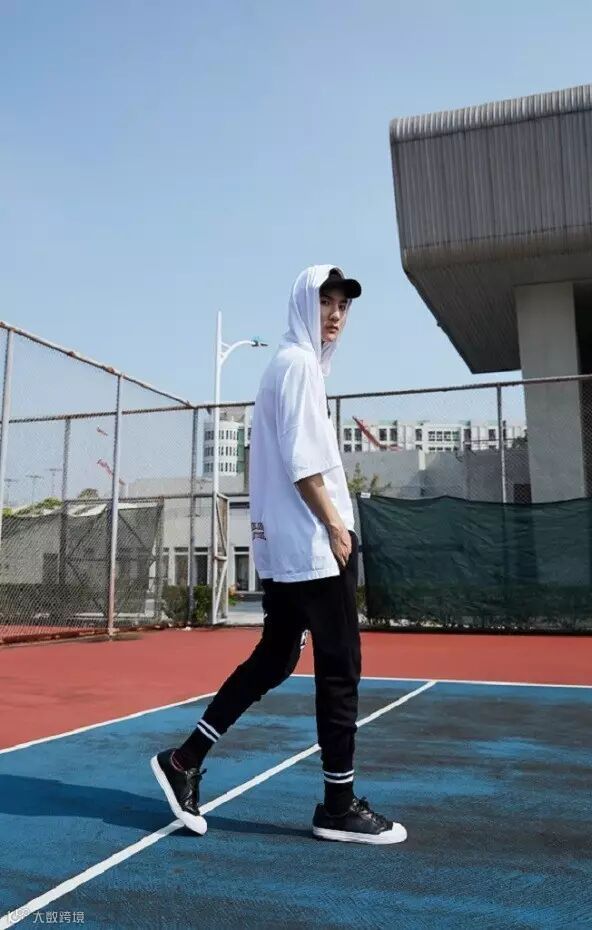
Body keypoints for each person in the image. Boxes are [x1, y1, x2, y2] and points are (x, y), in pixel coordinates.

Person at [151, 265, 407, 845]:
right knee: (340, 667)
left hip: (292, 547)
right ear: (301, 305)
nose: (335, 314)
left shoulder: (293, 367)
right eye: (325, 301)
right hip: (314, 546)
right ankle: (337, 806)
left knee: (274, 660)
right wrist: (336, 526)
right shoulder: (296, 365)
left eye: (343, 305)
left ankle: (184, 760)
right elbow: (302, 463)